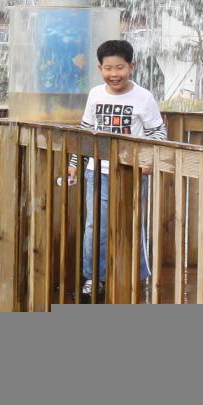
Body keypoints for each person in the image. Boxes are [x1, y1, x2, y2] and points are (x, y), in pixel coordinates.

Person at [68, 39, 167, 301]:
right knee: (94, 226)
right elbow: (86, 131)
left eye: (120, 68)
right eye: (108, 68)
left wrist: (147, 161)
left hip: (130, 172)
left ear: (132, 67)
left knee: (132, 223)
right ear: (100, 68)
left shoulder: (143, 97)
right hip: (96, 171)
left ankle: (134, 274)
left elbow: (158, 132)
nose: (114, 74)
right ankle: (93, 277)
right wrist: (75, 163)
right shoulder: (95, 94)